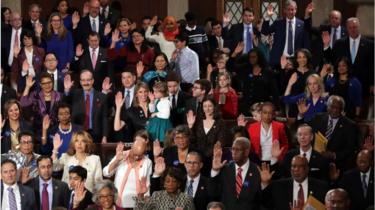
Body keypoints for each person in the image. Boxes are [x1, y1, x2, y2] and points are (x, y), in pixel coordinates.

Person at [304, 95, 357, 171]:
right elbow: (305, 127)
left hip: (337, 162)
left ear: (342, 109)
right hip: (317, 158)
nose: (335, 110)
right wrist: (301, 115)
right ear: (327, 107)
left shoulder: (350, 125)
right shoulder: (318, 118)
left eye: (338, 108)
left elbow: (350, 148)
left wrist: (334, 155)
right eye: (332, 107)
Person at [324, 17, 374, 97]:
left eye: (355, 27)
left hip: (363, 85)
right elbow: (331, 60)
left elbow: (372, 66)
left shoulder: (370, 44)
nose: (352, 30)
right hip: (343, 84)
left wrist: (373, 83)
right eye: (350, 27)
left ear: (359, 27)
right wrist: (326, 46)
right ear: (347, 28)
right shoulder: (339, 43)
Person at [209, 137, 262, 210]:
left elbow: (261, 200)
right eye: (232, 149)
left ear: (246, 151)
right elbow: (213, 193)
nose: (234, 152)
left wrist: (265, 183)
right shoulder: (225, 169)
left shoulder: (257, 171)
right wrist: (215, 170)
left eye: (238, 149)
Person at [260, 155, 329, 210]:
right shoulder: (278, 186)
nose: (296, 170)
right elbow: (263, 203)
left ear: (307, 169)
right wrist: (265, 183)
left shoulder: (321, 187)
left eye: (300, 166)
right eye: (293, 166)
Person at [103, 138, 153, 209]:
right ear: (131, 147)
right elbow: (105, 173)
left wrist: (145, 203)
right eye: (135, 154)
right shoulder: (121, 155)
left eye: (140, 155)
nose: (136, 157)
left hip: (137, 204)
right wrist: (117, 160)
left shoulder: (147, 162)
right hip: (118, 203)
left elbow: (147, 184)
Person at [261, 0, 312, 67]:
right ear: (285, 10)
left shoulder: (301, 24)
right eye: (288, 9)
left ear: (296, 10)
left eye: (292, 9)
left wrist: (307, 15)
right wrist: (267, 17)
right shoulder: (278, 23)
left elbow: (307, 37)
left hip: (296, 61)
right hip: (279, 60)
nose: (291, 12)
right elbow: (265, 31)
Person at [63, 70, 108, 143]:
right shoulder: (74, 94)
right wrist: (67, 90)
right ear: (80, 82)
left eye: (88, 80)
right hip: (77, 134)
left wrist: (105, 136)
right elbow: (64, 105)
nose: (86, 83)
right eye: (83, 80)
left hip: (96, 135)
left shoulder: (102, 96)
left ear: (92, 81)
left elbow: (104, 118)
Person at [188, 97, 228, 175]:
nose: (207, 108)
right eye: (205, 106)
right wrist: (190, 126)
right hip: (198, 159)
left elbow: (221, 141)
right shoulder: (197, 122)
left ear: (214, 107)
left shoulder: (220, 123)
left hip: (213, 158)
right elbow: (192, 140)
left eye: (210, 106)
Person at [244, 102, 289, 166]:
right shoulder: (251, 127)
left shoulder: (279, 126)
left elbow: (285, 144)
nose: (267, 116)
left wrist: (280, 155)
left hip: (275, 161)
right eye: (265, 113)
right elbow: (248, 146)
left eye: (270, 113)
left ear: (273, 114)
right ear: (261, 113)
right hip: (257, 162)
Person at [238, 48, 279, 115]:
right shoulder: (246, 70)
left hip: (261, 108)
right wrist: (243, 56)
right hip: (246, 107)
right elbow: (234, 65)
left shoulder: (267, 72)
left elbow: (274, 92)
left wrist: (277, 108)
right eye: (250, 57)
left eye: (254, 57)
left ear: (259, 57)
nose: (251, 59)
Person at [281, 48, 315, 117]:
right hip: (293, 105)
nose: (302, 60)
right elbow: (284, 90)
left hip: (308, 105)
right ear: (296, 59)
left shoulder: (313, 73)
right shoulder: (291, 72)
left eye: (304, 57)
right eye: (299, 57)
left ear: (307, 58)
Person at [10, 29, 45, 93]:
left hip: (38, 79)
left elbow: (44, 68)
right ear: (22, 40)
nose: (27, 41)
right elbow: (14, 70)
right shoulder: (19, 52)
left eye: (29, 38)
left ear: (33, 39)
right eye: (25, 39)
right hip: (24, 79)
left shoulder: (40, 51)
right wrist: (15, 56)